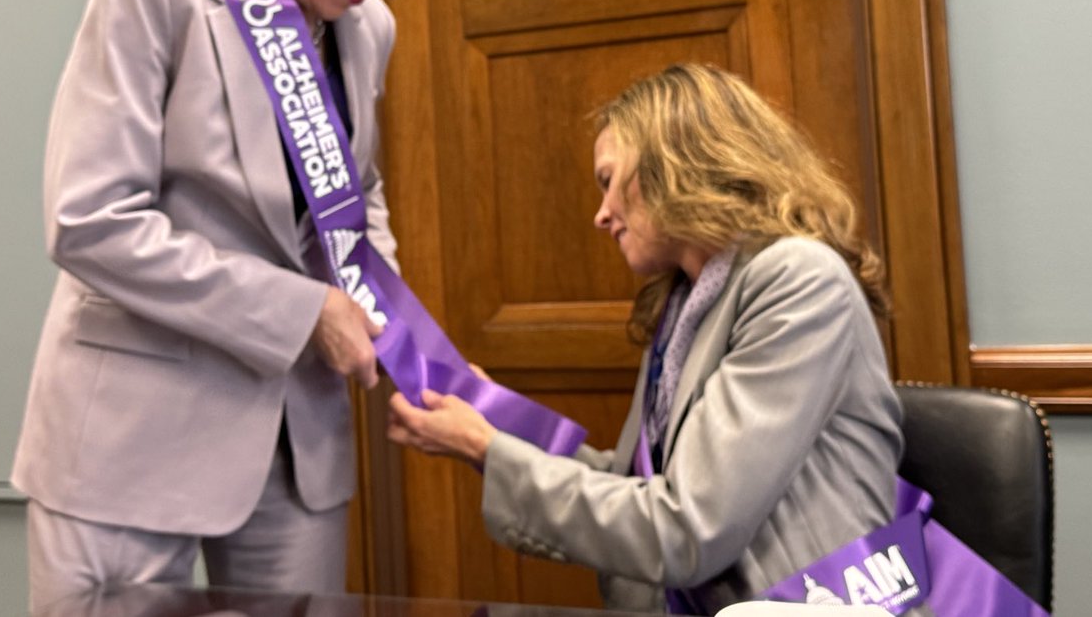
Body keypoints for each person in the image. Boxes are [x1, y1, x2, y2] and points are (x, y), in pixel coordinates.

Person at [12, 0, 497, 612]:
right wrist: (302, 311)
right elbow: (90, 221)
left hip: (295, 447)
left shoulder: (365, 27)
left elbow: (356, 197)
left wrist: (386, 320)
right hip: (129, 436)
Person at [388, 63, 905, 615]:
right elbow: (633, 488)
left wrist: (485, 447)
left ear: (674, 164)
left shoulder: (798, 278)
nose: (601, 215)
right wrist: (495, 429)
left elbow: (687, 527)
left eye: (609, 182)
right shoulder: (687, 301)